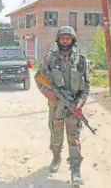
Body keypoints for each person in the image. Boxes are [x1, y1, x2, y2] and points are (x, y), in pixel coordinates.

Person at [35, 26, 90, 185]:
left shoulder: (81, 60)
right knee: (56, 134)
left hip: (73, 106)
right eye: (62, 38)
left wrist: (80, 102)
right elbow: (39, 78)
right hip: (55, 106)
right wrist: (48, 93)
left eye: (68, 38)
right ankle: (56, 157)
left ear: (73, 40)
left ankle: (75, 170)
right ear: (58, 40)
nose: (65, 41)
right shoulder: (49, 59)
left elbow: (86, 84)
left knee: (74, 138)